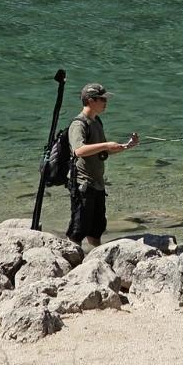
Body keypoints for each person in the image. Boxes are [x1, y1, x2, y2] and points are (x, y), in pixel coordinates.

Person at [66, 83, 138, 247]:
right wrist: (106, 145)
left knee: (96, 229)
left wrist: (125, 146)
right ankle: (71, 262)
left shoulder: (96, 121)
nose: (106, 102)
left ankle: (96, 258)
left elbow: (101, 151)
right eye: (102, 99)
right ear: (91, 101)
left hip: (97, 185)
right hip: (83, 184)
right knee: (78, 229)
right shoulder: (78, 124)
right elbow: (79, 150)